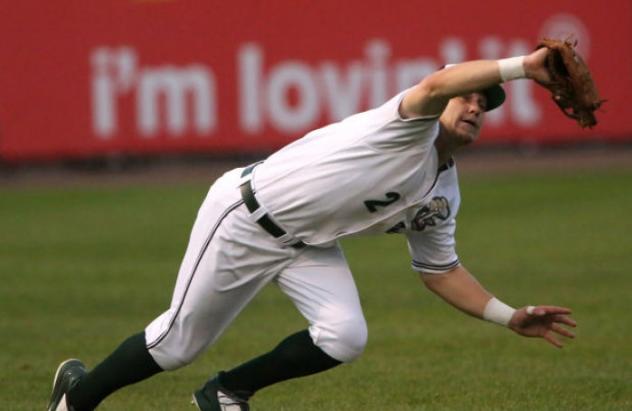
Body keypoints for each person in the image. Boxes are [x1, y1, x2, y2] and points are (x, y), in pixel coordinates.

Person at [47, 46, 577, 411]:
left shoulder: (445, 190)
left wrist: (510, 317)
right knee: (176, 345)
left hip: (306, 244)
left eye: (485, 104)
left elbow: (440, 271)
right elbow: (439, 82)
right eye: (470, 95)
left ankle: (227, 393)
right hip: (246, 217)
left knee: (345, 336)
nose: (475, 107)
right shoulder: (403, 125)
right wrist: (522, 68)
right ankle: (76, 397)